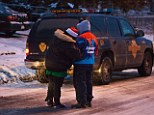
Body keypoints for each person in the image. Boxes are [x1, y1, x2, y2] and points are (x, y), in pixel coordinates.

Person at [45, 27, 81, 108]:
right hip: (58, 66)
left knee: (51, 82)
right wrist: (78, 49)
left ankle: (49, 100)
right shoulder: (67, 44)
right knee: (57, 84)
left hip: (49, 64)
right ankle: (57, 102)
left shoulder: (56, 38)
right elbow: (76, 55)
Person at [72, 20, 98, 108]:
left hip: (80, 63)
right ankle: (88, 100)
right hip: (90, 63)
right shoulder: (94, 37)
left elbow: (76, 50)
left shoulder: (81, 38)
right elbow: (96, 52)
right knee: (88, 81)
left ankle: (81, 102)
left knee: (80, 82)